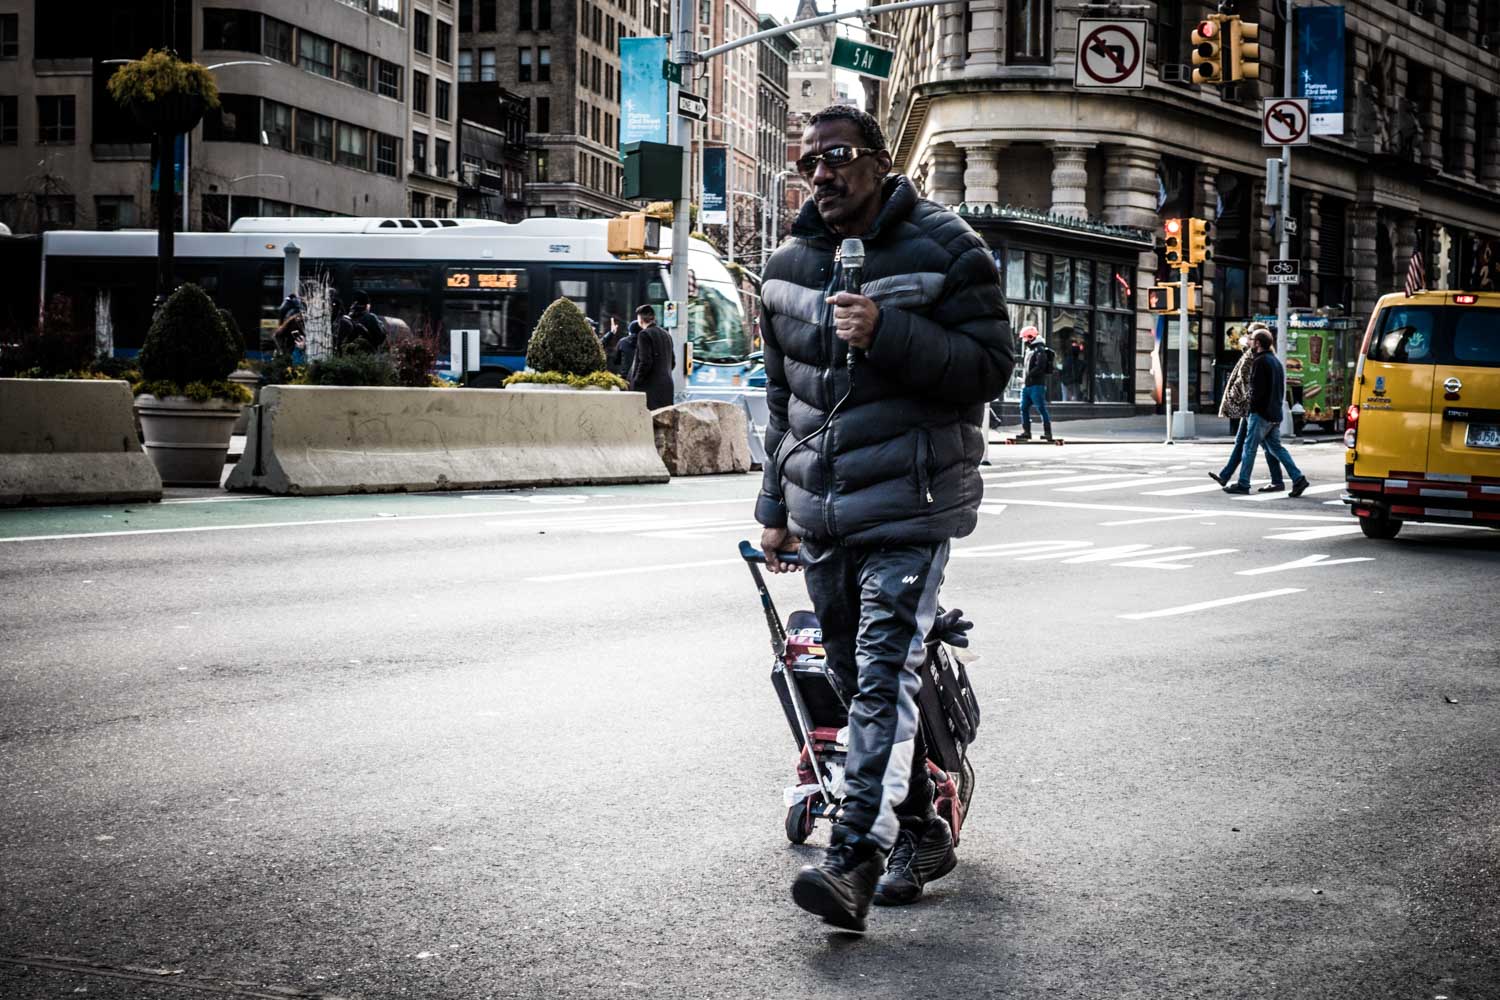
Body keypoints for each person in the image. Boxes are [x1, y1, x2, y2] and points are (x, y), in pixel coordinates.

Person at [755, 104, 1013, 931]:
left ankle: (851, 859)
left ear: (878, 158)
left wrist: (889, 331)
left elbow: (987, 369)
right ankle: (923, 828)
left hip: (911, 502)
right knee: (847, 675)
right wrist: (774, 508)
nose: (821, 175)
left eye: (835, 157)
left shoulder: (946, 249)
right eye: (807, 164)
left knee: (879, 676)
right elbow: (782, 398)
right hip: (821, 510)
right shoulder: (788, 264)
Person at [1225, 329, 1309, 497]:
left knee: (1249, 448)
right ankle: (1298, 478)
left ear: (1258, 343)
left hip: (1261, 413)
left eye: (1251, 340)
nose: (1249, 342)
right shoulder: (1275, 361)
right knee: (1276, 448)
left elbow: (1258, 391)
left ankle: (1243, 483)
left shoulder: (1260, 361)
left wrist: (1250, 408)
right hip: (1274, 413)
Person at [1210, 325, 1284, 491]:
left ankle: (1246, 482)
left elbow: (1250, 383)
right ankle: (1226, 475)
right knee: (1253, 445)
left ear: (1257, 340)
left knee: (1260, 447)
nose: (1247, 338)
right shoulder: (1258, 355)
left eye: (1249, 335)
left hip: (1255, 408)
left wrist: (1247, 403)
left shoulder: (1258, 357)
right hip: (1254, 408)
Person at [627, 304, 674, 409]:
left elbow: (645, 361)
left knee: (646, 422)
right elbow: (673, 362)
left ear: (640, 319)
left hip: (649, 389)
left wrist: (636, 381)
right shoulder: (667, 335)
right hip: (667, 387)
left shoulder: (644, 334)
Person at [1015, 326, 1056, 441]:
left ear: (1031, 337)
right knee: (1023, 408)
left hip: (1036, 385)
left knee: (1041, 408)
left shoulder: (1039, 349)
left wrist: (1029, 376)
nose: (1025, 341)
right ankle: (1026, 432)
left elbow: (1040, 366)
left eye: (1026, 339)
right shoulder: (1030, 349)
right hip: (1028, 385)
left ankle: (1048, 433)